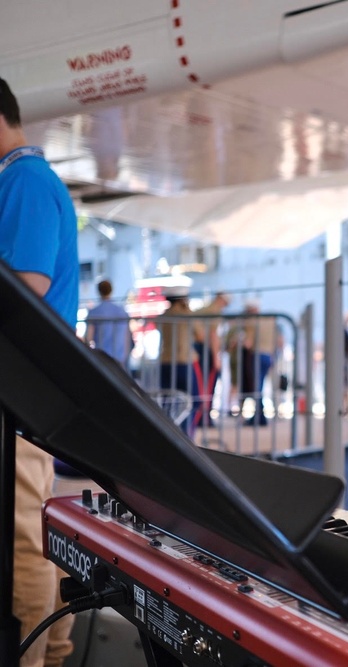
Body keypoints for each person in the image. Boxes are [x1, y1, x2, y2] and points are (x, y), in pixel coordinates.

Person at [1, 75, 78, 667]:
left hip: (18, 388)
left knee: (21, 541)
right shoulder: (28, 178)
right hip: (28, 388)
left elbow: (26, 288)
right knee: (32, 533)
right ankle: (51, 654)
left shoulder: (24, 179)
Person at [157, 285, 199, 435]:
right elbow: (200, 334)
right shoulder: (186, 315)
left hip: (165, 361)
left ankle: (169, 434)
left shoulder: (162, 316)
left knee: (168, 402)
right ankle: (187, 434)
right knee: (192, 399)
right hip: (184, 361)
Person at [191, 291, 229, 427]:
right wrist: (216, 357)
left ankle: (201, 417)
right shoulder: (214, 311)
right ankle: (204, 418)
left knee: (201, 385)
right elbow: (213, 335)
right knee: (208, 386)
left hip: (197, 348)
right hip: (205, 350)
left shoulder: (204, 308)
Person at [85, 279, 132, 369]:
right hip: (119, 357)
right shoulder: (121, 312)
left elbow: (88, 338)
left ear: (98, 291)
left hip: (102, 357)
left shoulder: (94, 312)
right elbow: (127, 337)